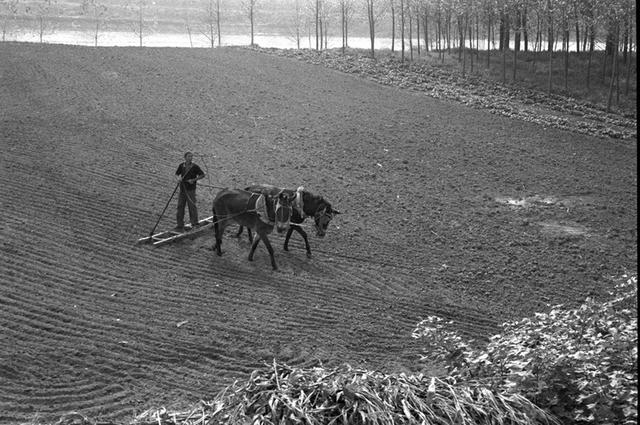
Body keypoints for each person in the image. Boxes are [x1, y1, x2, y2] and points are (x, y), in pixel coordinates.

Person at [174, 152, 205, 231]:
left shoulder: (195, 166)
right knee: (180, 206)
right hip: (182, 189)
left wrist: (194, 180)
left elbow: (202, 175)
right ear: (185, 157)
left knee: (192, 206)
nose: (190, 158)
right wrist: (178, 178)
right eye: (189, 156)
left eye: (191, 156)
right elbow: (177, 174)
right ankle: (180, 224)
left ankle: (195, 223)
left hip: (191, 190)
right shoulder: (181, 165)